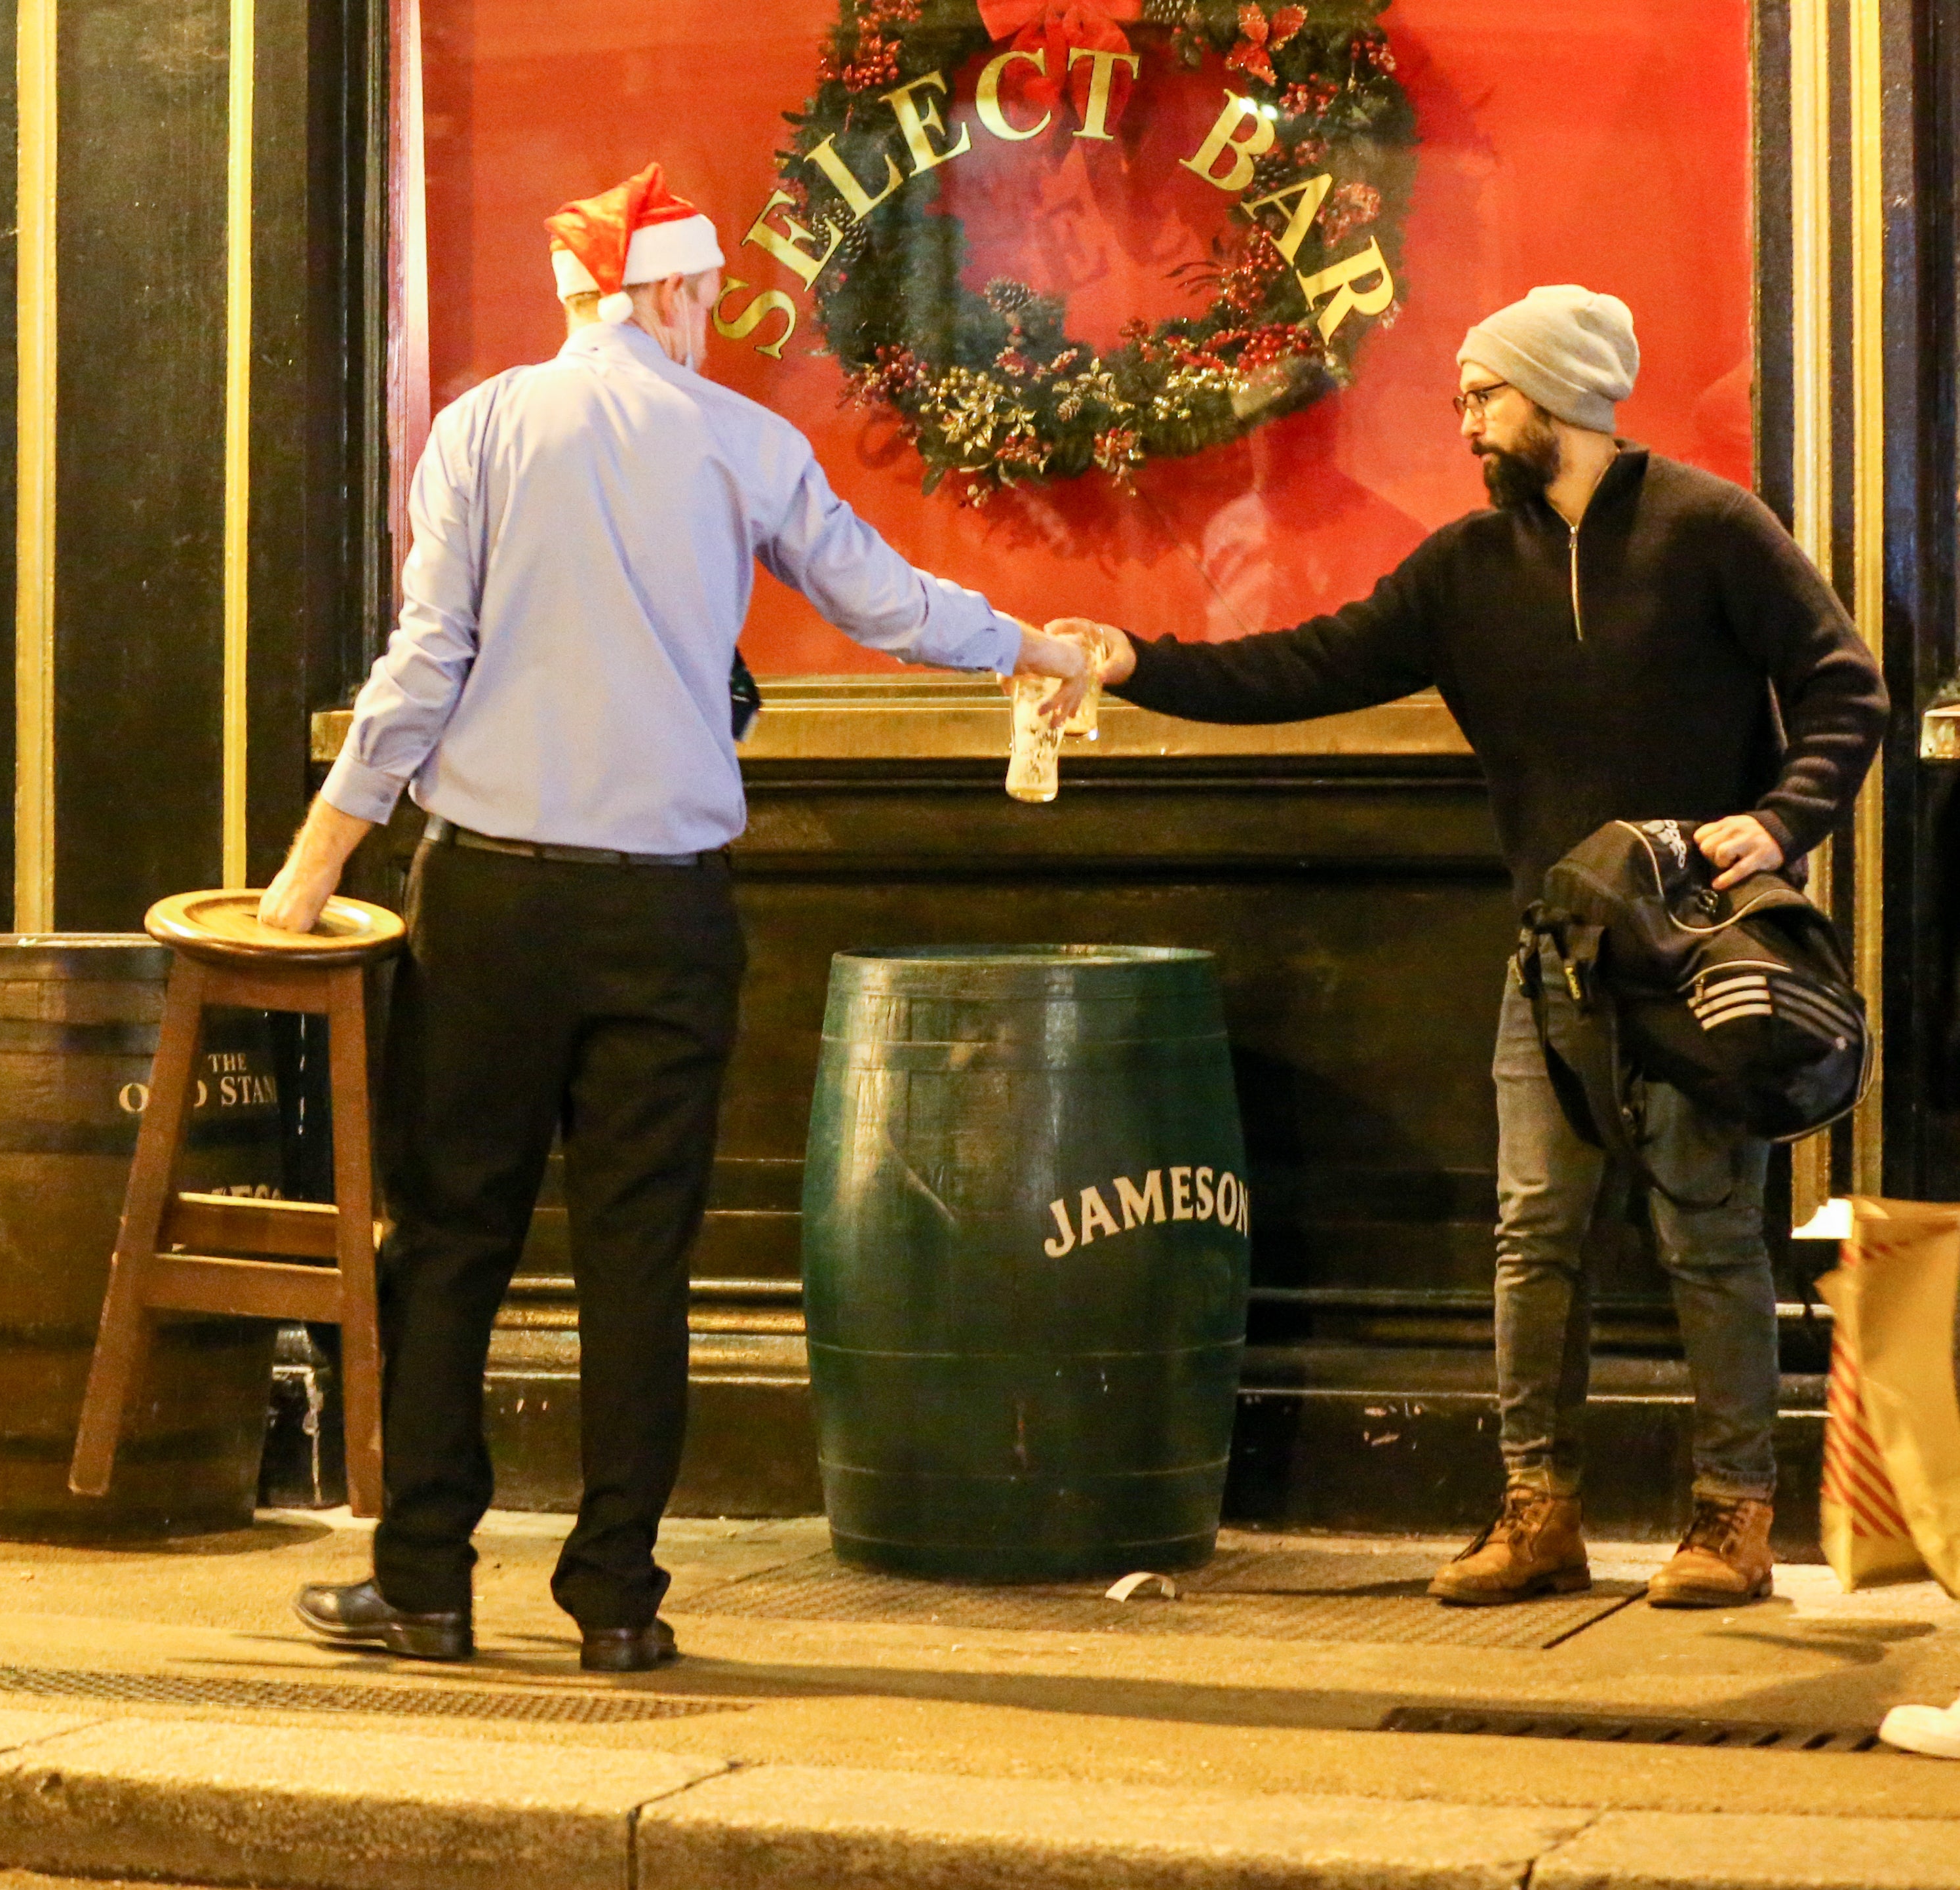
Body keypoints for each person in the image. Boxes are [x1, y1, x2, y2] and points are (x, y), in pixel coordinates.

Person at [258, 165, 1094, 1670]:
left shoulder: (485, 426)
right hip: (671, 915)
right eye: (703, 297)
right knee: (642, 1260)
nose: (712, 322)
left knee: (450, 1240)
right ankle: (618, 1605)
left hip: (494, 896)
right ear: (655, 291)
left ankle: (427, 1583)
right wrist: (1033, 644)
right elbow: (886, 602)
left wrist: (319, 859)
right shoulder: (743, 443)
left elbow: (422, 659)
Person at [1062, 285, 1889, 1609]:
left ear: (1555, 393)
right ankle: (1537, 1508)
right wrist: (1129, 661)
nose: (1464, 421)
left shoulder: (1708, 528)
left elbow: (1845, 684)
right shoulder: (1463, 569)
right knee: (1531, 1235)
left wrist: (1779, 821)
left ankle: (1732, 1516)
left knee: (1708, 1234)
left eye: (1481, 395)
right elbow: (1303, 664)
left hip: (1698, 956)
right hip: (1553, 962)